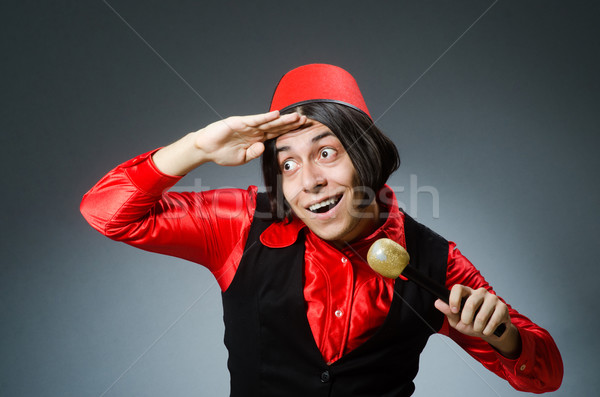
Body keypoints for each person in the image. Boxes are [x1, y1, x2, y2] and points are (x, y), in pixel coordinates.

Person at [80, 64, 563, 396]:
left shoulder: (434, 260)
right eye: (287, 163)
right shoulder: (241, 225)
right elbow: (107, 211)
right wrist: (197, 147)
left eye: (326, 152)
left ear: (367, 154)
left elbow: (546, 374)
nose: (308, 180)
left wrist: (505, 339)